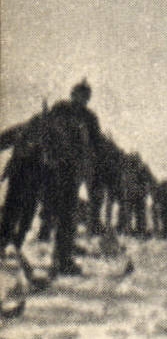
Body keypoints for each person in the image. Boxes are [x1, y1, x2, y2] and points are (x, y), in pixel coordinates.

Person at [0, 81, 104, 274]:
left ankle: (62, 259)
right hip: (48, 170)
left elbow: (95, 148)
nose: (81, 99)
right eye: (78, 94)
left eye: (85, 96)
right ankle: (8, 244)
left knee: (65, 215)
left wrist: (91, 175)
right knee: (21, 208)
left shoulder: (88, 120)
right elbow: (21, 132)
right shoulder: (57, 113)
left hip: (67, 173)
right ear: (72, 94)